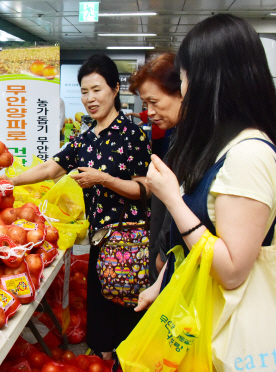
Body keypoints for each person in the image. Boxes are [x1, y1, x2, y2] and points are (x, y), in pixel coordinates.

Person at [0, 54, 152, 361]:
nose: (90, 99)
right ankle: (103, 361)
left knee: (129, 311)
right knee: (101, 310)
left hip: (130, 241)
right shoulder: (85, 138)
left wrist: (104, 179)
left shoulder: (133, 134)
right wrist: (12, 180)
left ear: (115, 89)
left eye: (97, 89)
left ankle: (130, 362)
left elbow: (144, 189)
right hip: (99, 239)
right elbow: (53, 167)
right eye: (84, 91)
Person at [136, 14, 276, 327]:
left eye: (183, 79)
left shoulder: (249, 155)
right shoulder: (221, 146)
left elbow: (230, 271)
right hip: (198, 319)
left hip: (224, 330)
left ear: (208, 79)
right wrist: (163, 284)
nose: (182, 90)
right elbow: (204, 240)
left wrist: (172, 199)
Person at [128, 53, 182, 284]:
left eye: (155, 102)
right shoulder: (179, 135)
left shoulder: (192, 144)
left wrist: (162, 253)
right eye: (145, 104)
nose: (149, 112)